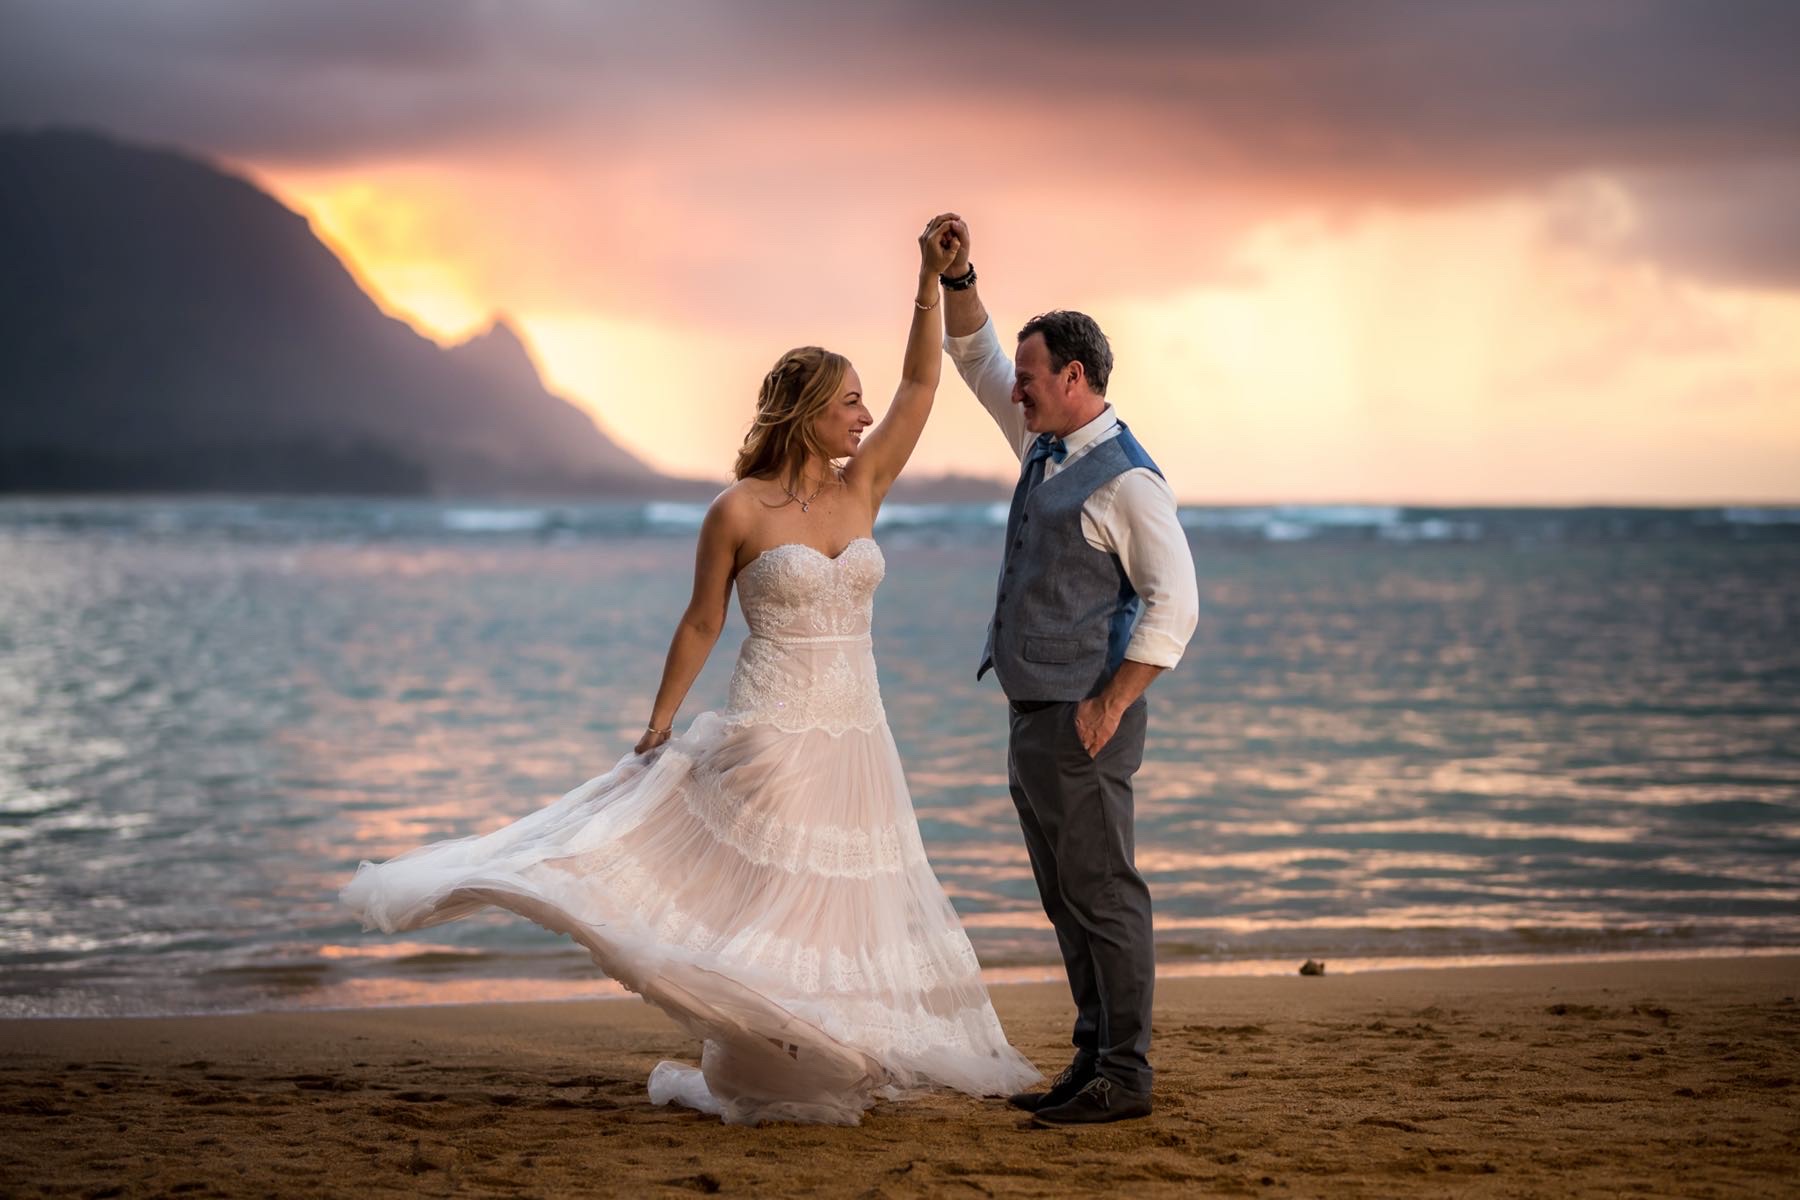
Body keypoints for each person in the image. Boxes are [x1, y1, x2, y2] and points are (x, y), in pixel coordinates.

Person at [340, 216, 1039, 1126]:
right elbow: (703, 620)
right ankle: (777, 1057)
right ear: (808, 411)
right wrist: (661, 720)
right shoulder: (736, 511)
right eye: (849, 402)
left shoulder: (862, 487)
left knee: (838, 901)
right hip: (773, 729)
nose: (866, 416)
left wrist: (929, 279)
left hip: (860, 732)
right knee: (777, 901)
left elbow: (919, 381)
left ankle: (812, 1056)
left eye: (863, 405)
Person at [933, 214, 1199, 1126]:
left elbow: (1178, 604)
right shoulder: (1045, 446)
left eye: (1035, 377)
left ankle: (1126, 1075)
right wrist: (958, 276)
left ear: (1074, 378)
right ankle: (1091, 1059)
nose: (1021, 391)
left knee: (1105, 894)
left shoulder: (1127, 479)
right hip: (1031, 711)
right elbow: (977, 362)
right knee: (1063, 897)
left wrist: (1113, 701)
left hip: (1084, 720)